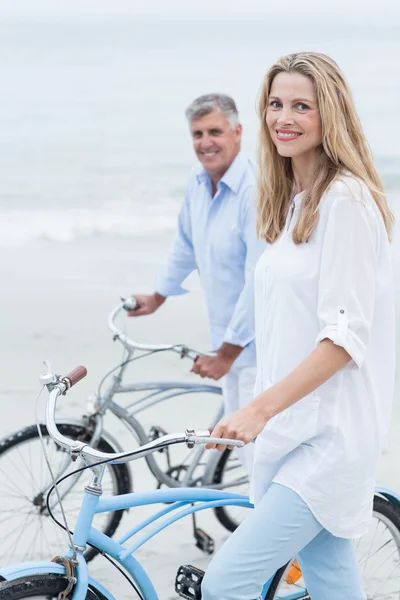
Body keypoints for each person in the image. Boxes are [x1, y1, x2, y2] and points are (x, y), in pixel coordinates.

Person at [201, 52, 395, 600]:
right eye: (275, 103)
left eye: (301, 106)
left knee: (226, 583)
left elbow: (344, 337)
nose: (283, 117)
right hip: (292, 432)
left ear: (328, 115)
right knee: (332, 580)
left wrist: (258, 409)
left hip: (330, 437)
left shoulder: (349, 201)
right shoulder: (295, 204)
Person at [129, 94, 265, 470]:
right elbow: (186, 245)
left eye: (215, 132)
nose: (206, 142)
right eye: (197, 134)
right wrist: (157, 297)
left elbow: (260, 280)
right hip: (227, 339)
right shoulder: (197, 180)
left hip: (261, 347)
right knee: (239, 448)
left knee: (260, 455)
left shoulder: (256, 190)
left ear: (238, 133)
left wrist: (225, 355)